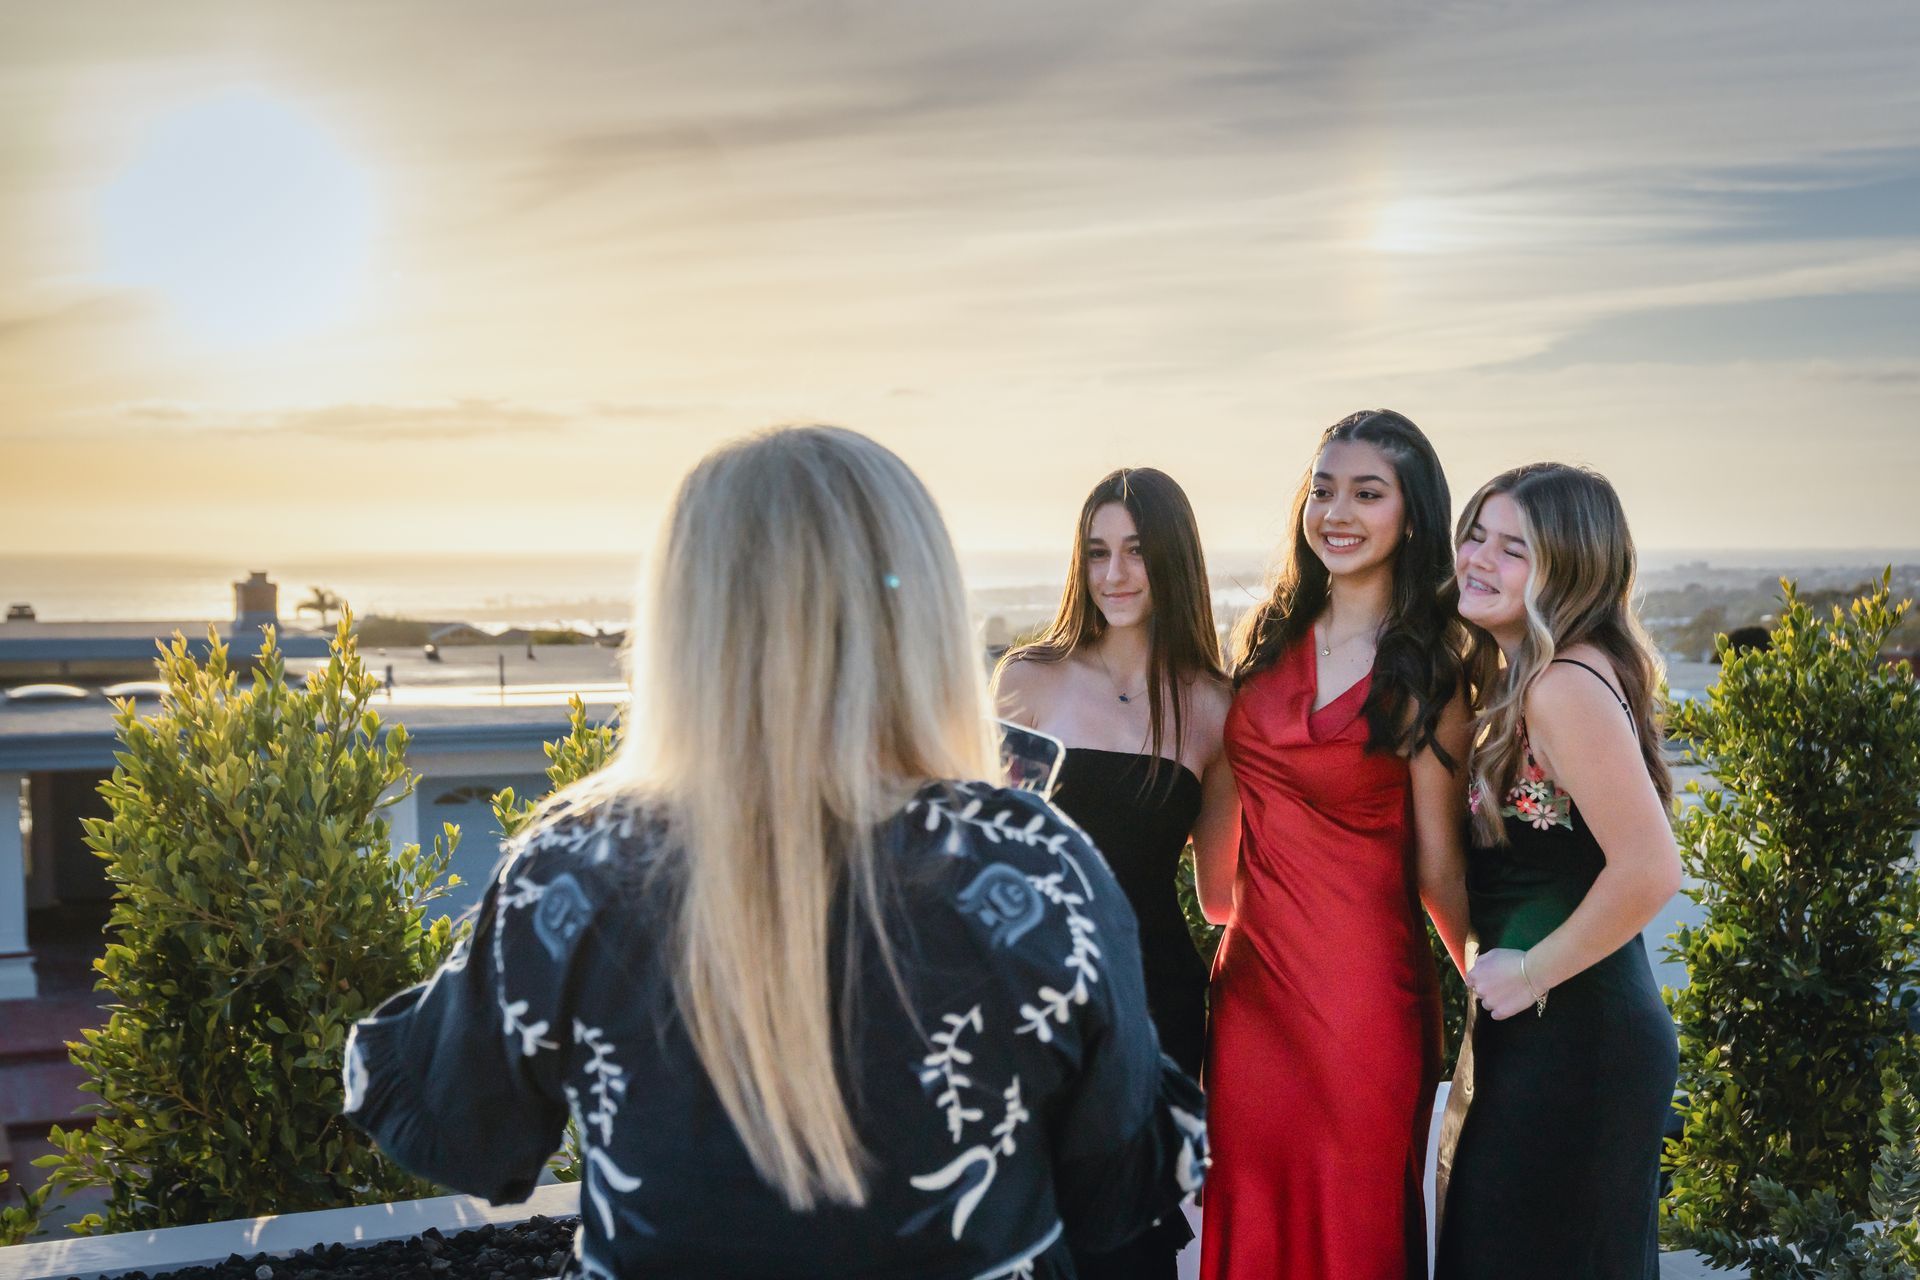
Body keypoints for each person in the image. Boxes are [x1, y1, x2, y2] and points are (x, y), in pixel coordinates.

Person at [342, 426, 1207, 1280]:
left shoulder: (568, 870)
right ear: (922, 615)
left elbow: (459, 1130)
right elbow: (1113, 1180)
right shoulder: (1037, 869)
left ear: (686, 616)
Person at [1197, 409, 1471, 1280]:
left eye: (1365, 492)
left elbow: (1438, 869)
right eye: (1321, 490)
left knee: (1353, 1235)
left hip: (1363, 1011)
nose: (1336, 512)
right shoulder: (1265, 640)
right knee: (1253, 1226)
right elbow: (1219, 862)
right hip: (1250, 1008)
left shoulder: (1434, 666)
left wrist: (1502, 996)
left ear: (1412, 515)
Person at [1433, 463, 1682, 1279]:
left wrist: (1533, 972)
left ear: (1571, 569)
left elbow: (1651, 868)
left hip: (1578, 1043)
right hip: (1553, 1034)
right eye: (1476, 535)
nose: (1479, 559)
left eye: (1514, 549)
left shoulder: (1561, 686)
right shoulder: (1525, 678)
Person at [994, 467, 1237, 1280]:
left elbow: (1220, 893)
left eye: (1136, 551)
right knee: (1033, 1232)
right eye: (1097, 552)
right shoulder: (1028, 680)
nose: (1114, 575)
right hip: (1035, 997)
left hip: (1154, 1002)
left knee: (1129, 1246)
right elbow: (990, 860)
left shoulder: (1212, 703)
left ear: (1174, 560)